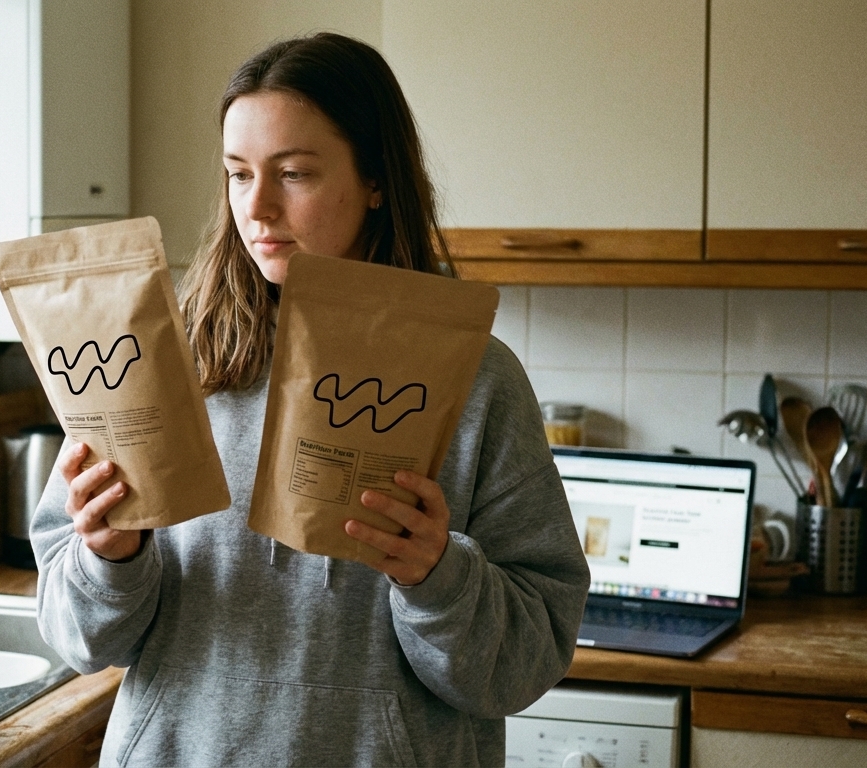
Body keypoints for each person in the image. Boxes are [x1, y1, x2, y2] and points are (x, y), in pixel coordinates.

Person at [31, 33, 590, 767]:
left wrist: (437, 576)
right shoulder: (158, 358)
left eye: (293, 173)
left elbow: (527, 661)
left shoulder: (477, 380)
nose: (257, 206)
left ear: (375, 180)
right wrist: (109, 557)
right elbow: (79, 640)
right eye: (238, 174)